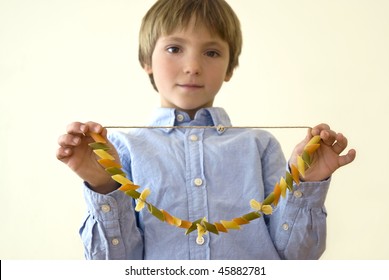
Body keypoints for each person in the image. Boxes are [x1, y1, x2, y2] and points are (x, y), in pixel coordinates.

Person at [56, 0, 356, 260]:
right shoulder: (120, 149)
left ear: (229, 68)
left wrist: (305, 183)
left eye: (211, 53)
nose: (192, 66)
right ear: (146, 60)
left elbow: (297, 258)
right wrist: (103, 186)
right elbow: (115, 266)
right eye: (174, 48)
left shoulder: (259, 146)